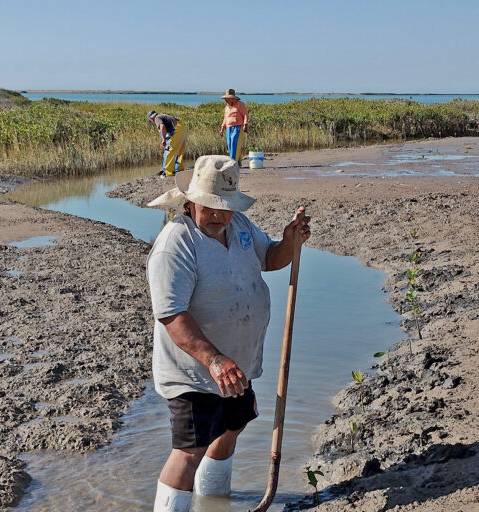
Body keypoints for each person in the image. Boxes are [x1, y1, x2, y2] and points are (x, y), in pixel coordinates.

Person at [146, 155, 310, 512]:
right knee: (189, 451)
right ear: (190, 202)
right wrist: (214, 360)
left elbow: (270, 259)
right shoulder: (176, 244)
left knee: (231, 428)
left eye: (225, 207)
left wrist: (290, 241)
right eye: (210, 206)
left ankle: (213, 502)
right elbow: (172, 315)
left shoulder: (242, 228)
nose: (218, 214)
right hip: (194, 370)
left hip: (239, 363)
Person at [148, 110, 188, 177]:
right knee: (179, 151)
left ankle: (168, 173)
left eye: (151, 121)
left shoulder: (157, 118)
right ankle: (179, 170)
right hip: (182, 129)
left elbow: (162, 126)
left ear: (151, 119)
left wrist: (163, 139)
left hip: (176, 130)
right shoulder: (164, 115)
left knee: (170, 151)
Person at [218, 89, 248, 165]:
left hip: (237, 126)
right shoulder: (226, 107)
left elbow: (245, 114)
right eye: (225, 99)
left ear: (232, 99)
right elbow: (225, 118)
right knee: (230, 145)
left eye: (227, 99)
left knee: (235, 143)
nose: (225, 100)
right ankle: (238, 162)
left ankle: (232, 163)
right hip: (228, 127)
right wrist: (222, 128)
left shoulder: (240, 104)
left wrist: (245, 124)